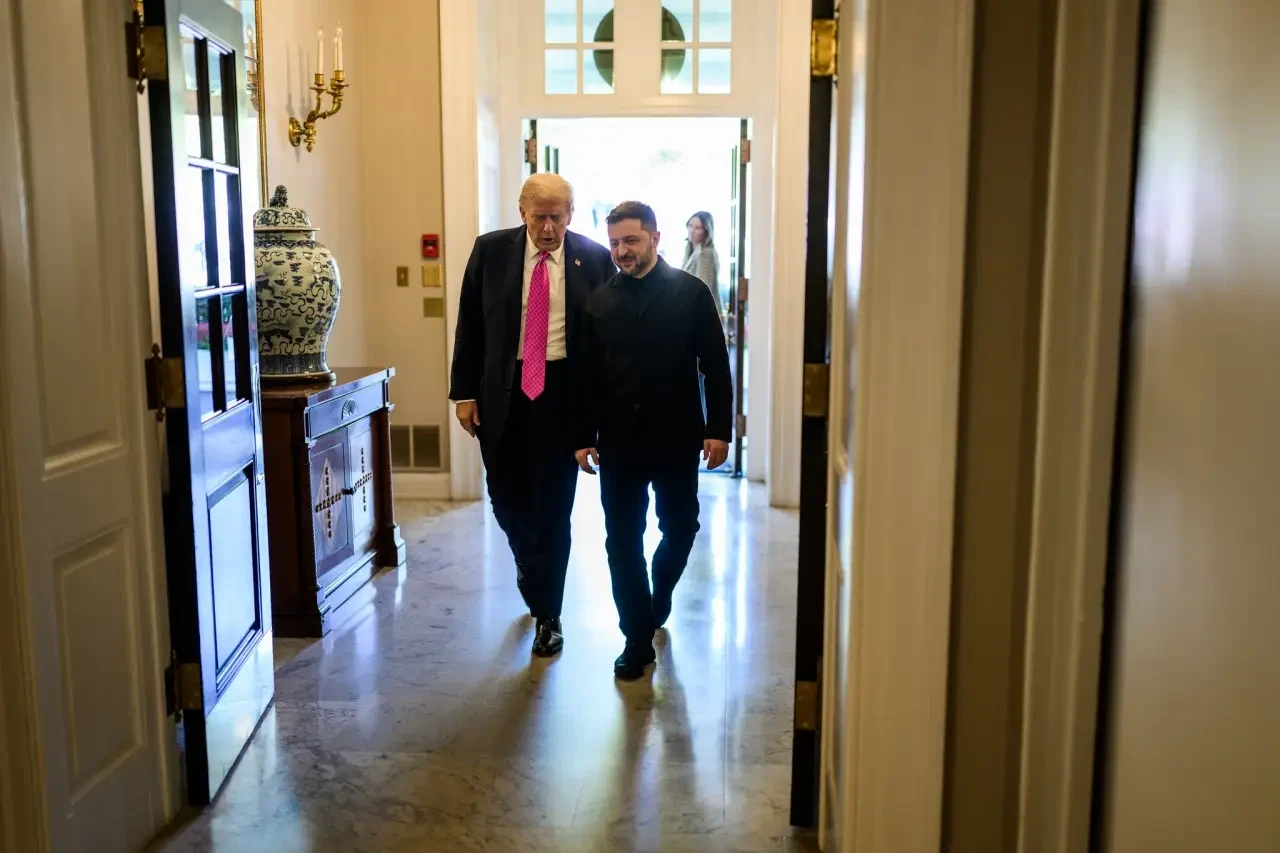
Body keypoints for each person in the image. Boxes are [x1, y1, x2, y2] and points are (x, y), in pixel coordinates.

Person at [449, 173, 615, 658]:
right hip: (504, 393)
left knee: (554, 510)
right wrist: (463, 393)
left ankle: (549, 614)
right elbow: (470, 324)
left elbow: (606, 339)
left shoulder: (594, 259)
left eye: (557, 217)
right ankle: (529, 563)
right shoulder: (491, 251)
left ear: (571, 214)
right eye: (539, 216)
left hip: (563, 395)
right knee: (506, 501)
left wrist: (601, 411)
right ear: (521, 211)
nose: (547, 228)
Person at [572, 201, 733, 680]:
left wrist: (718, 429)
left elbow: (715, 366)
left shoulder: (691, 293)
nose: (622, 251)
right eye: (615, 243)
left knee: (681, 527)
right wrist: (582, 435)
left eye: (631, 240)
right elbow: (585, 377)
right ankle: (636, 639)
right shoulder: (598, 302)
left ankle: (657, 597)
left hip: (677, 435)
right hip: (618, 441)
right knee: (621, 540)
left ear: (655, 238)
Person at [682, 211, 726, 320]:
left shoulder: (705, 253)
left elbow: (702, 288)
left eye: (698, 228)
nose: (692, 231)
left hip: (704, 315)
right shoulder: (692, 250)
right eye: (690, 225)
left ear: (707, 231)